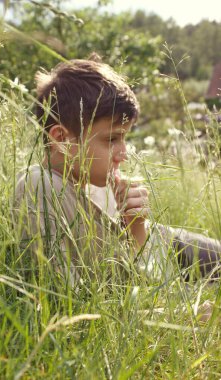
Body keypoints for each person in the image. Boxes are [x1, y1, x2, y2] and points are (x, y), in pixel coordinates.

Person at [14, 55, 221, 285]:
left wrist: (136, 221)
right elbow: (67, 298)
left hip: (160, 240)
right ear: (61, 139)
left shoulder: (92, 177)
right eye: (112, 139)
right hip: (150, 260)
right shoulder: (40, 187)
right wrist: (136, 232)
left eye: (124, 138)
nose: (124, 153)